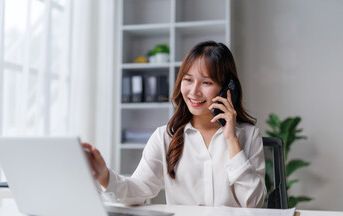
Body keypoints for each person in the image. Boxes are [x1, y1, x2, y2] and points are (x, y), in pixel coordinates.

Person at [83, 41, 266, 207]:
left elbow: (254, 204)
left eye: (206, 82)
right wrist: (105, 177)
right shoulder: (165, 137)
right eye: (188, 80)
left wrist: (231, 139)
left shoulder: (248, 136)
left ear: (228, 89)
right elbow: (139, 189)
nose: (194, 91)